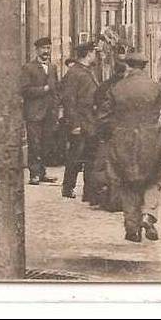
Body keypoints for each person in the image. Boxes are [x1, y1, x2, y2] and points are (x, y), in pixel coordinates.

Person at [96, 52, 161, 242]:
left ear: (128, 66)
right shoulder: (155, 87)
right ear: (144, 66)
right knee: (154, 179)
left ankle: (132, 229)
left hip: (123, 140)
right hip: (151, 139)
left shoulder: (116, 88)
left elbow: (103, 118)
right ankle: (148, 215)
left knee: (127, 182)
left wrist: (112, 134)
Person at [86, 45, 128, 211]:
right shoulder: (126, 88)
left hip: (106, 131)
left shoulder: (104, 86)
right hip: (122, 132)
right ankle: (116, 200)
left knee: (103, 166)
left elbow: (97, 107)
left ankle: (99, 197)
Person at [60, 42, 100, 199]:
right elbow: (69, 100)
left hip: (90, 121)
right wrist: (74, 124)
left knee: (90, 156)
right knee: (75, 157)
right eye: (94, 53)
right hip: (81, 122)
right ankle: (68, 187)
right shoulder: (75, 73)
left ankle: (89, 191)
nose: (95, 56)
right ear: (89, 54)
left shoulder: (86, 71)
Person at [20, 37, 60, 185]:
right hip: (34, 113)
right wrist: (43, 90)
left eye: (48, 48)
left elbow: (56, 89)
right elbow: (24, 90)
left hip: (49, 112)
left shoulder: (52, 67)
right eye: (43, 48)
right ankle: (34, 174)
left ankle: (42, 172)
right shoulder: (28, 68)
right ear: (37, 50)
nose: (46, 51)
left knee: (46, 144)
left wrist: (55, 108)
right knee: (34, 144)